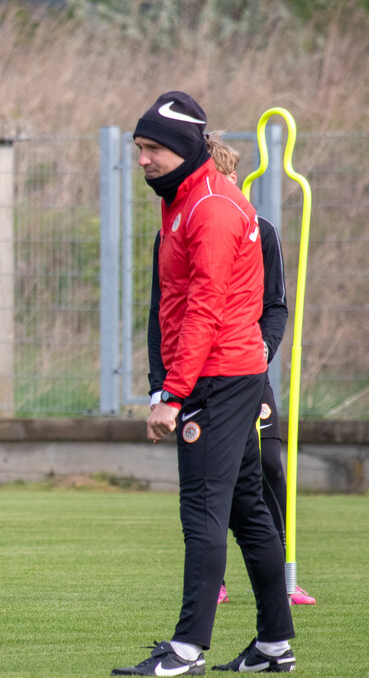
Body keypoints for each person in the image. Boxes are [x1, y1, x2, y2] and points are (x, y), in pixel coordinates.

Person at [112, 92, 296, 676]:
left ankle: (188, 648)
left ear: (187, 150)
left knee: (204, 514)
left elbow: (205, 308)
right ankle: (274, 645)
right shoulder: (185, 201)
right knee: (249, 511)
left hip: (216, 378)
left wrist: (172, 393)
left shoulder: (210, 208)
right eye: (139, 148)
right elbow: (168, 305)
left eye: (153, 148)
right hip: (226, 375)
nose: (142, 159)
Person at [148, 133, 316, 608]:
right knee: (215, 485)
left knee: (265, 467)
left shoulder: (254, 226)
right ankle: (236, 601)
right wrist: (161, 387)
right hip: (199, 374)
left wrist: (260, 351)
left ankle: (280, 582)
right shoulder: (176, 225)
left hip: (242, 369)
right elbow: (163, 313)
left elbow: (273, 306)